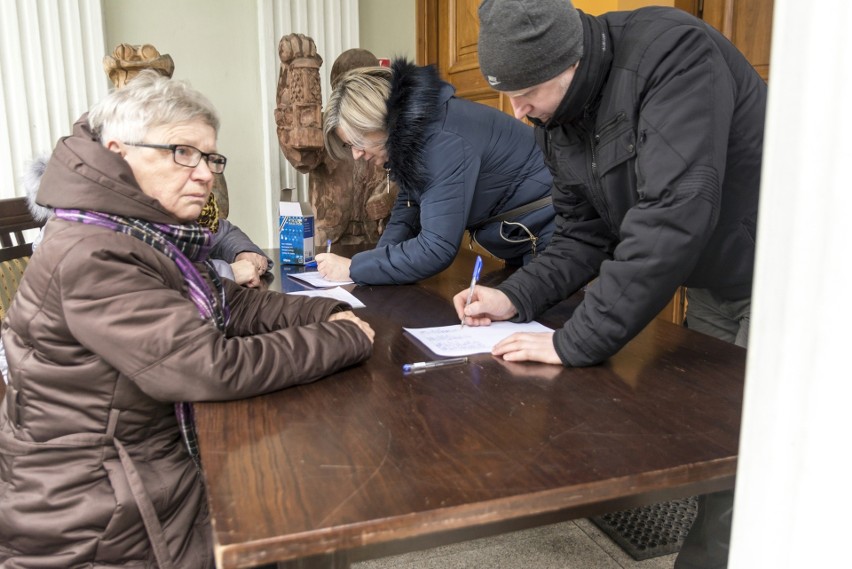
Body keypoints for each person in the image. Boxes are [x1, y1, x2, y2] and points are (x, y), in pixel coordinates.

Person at [0, 70, 374, 568]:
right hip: (99, 511)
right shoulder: (92, 252)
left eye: (209, 157)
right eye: (181, 152)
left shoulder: (137, 231)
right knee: (301, 511)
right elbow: (206, 366)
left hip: (134, 465)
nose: (204, 173)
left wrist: (334, 311)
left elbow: (233, 304)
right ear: (118, 151)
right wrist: (342, 341)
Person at [458, 2, 766, 568]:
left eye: (527, 90)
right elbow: (582, 233)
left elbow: (675, 212)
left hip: (781, 274)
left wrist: (575, 340)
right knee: (716, 444)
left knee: (749, 465)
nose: (517, 110)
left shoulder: (673, 53)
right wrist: (515, 295)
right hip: (716, 276)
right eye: (506, 92)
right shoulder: (557, 118)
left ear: (570, 62)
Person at [315, 58, 556, 285]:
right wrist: (371, 264)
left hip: (553, 235)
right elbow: (407, 212)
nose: (356, 154)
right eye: (350, 145)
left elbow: (436, 248)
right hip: (523, 236)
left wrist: (353, 268)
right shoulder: (416, 133)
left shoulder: (441, 141)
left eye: (358, 140)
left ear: (380, 120)